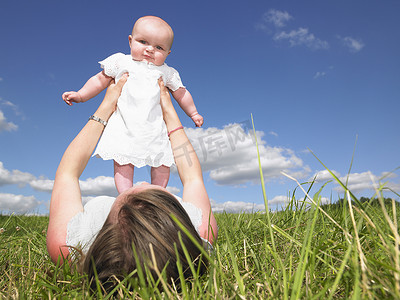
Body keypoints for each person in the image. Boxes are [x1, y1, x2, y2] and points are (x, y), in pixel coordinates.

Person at [47, 75, 218, 292]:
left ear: (105, 225)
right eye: (154, 192)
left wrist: (106, 107)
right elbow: (192, 175)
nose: (143, 180)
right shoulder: (198, 234)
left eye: (133, 191)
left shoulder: (69, 246)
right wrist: (169, 113)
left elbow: (67, 173)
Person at [62, 16, 203, 193]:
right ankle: (125, 194)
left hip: (155, 128)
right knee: (123, 160)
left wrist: (193, 113)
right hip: (124, 124)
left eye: (159, 47)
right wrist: (81, 94)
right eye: (143, 42)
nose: (150, 49)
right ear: (130, 41)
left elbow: (181, 93)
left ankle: (157, 194)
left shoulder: (166, 72)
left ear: (168, 53)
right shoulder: (122, 61)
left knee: (162, 161)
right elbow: (99, 80)